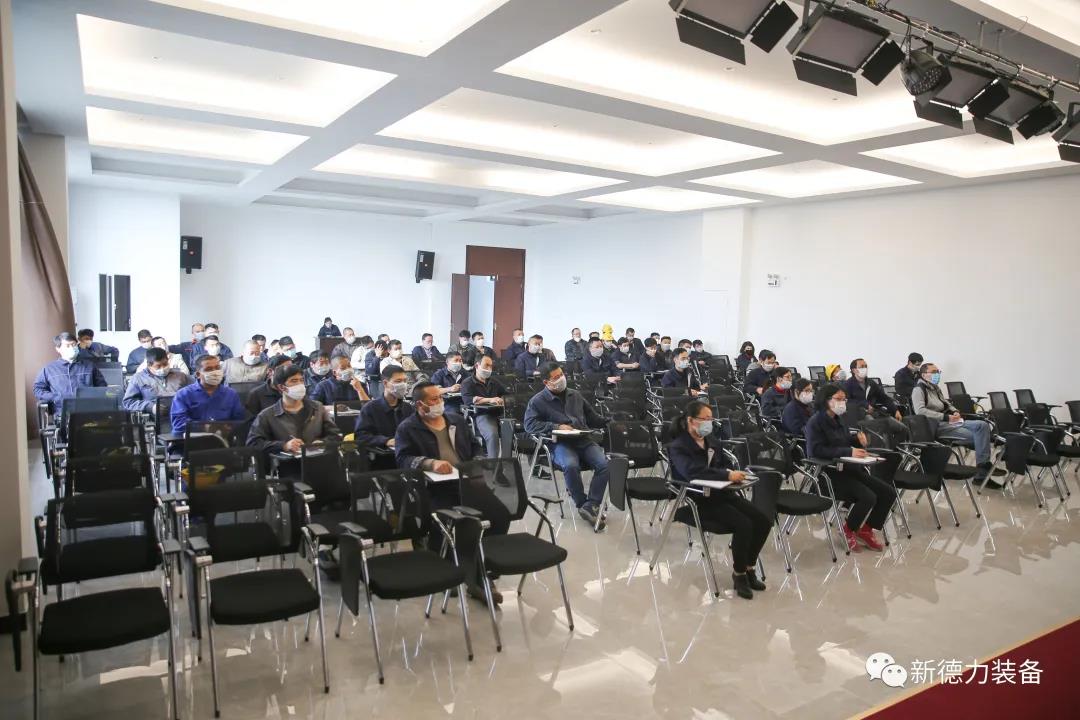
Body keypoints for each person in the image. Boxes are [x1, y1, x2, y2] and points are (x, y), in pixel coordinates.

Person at [667, 400, 769, 599]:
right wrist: (726, 475)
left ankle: (749, 567)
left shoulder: (712, 441)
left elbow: (725, 464)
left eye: (711, 419)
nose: (709, 423)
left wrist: (734, 474)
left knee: (763, 521)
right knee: (744, 524)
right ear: (691, 421)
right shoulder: (678, 446)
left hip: (723, 493)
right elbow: (692, 472)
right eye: (704, 419)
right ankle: (739, 574)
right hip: (700, 498)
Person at [805, 384, 895, 553]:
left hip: (849, 469)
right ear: (826, 400)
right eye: (839, 399)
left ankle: (866, 530)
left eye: (844, 399)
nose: (843, 403)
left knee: (888, 492)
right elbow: (816, 451)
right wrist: (848, 451)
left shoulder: (839, 419)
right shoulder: (815, 422)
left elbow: (844, 441)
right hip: (830, 474)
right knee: (868, 497)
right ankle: (848, 530)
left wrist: (857, 441)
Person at [524, 362, 610, 529]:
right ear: (546, 382)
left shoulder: (575, 395)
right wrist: (556, 426)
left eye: (561, 374)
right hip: (560, 443)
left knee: (605, 465)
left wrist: (610, 422)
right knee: (570, 465)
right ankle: (581, 503)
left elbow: (593, 418)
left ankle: (591, 504)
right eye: (556, 377)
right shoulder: (538, 401)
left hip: (583, 439)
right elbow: (529, 425)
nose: (561, 379)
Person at [911, 362, 996, 483]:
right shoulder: (918, 389)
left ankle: (983, 465)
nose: (937, 374)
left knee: (982, 425)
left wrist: (955, 411)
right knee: (980, 436)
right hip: (936, 425)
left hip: (948, 422)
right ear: (924, 375)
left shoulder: (935, 388)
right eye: (934, 372)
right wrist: (946, 417)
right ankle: (982, 475)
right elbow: (920, 411)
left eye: (938, 372)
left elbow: (946, 403)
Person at [247, 363, 342, 461]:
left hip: (318, 460)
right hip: (287, 464)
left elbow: (336, 435)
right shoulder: (267, 415)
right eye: (294, 381)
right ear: (282, 387)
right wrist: (283, 445)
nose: (300, 384)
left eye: (301, 380)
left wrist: (323, 442)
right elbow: (253, 443)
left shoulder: (317, 408)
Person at [33, 332, 107, 418]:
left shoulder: (89, 366)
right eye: (67, 346)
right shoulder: (49, 369)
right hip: (61, 413)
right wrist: (55, 397)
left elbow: (102, 387)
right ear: (58, 349)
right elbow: (38, 389)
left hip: (88, 412)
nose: (71, 348)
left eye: (74, 345)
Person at [170, 354, 246, 435]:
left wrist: (226, 428)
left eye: (217, 368)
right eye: (209, 369)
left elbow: (239, 421)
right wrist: (205, 427)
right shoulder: (183, 395)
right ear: (198, 374)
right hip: (191, 439)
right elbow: (179, 424)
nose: (215, 372)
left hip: (223, 438)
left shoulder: (231, 394)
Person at [355, 365, 415, 468]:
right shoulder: (370, 408)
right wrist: (386, 441)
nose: (403, 384)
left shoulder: (408, 408)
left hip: (407, 458)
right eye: (398, 381)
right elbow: (361, 436)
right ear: (385, 383)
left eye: (405, 381)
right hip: (381, 462)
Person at [461, 355, 507, 459]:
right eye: (486, 365)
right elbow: (468, 401)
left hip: (499, 413)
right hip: (482, 414)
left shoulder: (494, 382)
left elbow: (506, 394)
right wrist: (490, 400)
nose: (489, 369)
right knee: (492, 434)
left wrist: (501, 399)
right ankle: (493, 464)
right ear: (477, 366)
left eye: (491, 366)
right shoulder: (467, 383)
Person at [122, 347, 192, 413]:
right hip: (154, 417)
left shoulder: (180, 376)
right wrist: (150, 407)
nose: (163, 368)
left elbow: (194, 392)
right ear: (149, 365)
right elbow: (128, 402)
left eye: (165, 364)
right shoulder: (138, 378)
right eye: (158, 366)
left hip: (180, 414)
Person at [843, 358, 906, 431]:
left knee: (901, 427)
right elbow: (847, 402)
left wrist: (895, 410)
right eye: (862, 366)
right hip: (859, 416)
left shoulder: (871, 383)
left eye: (866, 366)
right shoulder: (848, 385)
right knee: (875, 426)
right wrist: (865, 405)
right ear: (854, 370)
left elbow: (884, 398)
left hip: (875, 413)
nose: (865, 368)